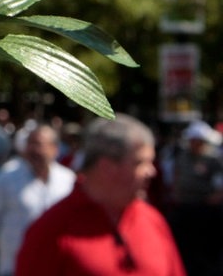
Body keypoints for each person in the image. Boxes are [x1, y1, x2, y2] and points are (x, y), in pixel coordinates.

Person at [15, 114, 185, 276]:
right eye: (140, 163)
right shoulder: (52, 230)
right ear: (107, 167)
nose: (152, 172)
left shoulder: (154, 222)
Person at [0, 124, 74, 276]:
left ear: (55, 149)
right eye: (30, 144)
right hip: (12, 265)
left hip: (53, 267)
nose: (33, 150)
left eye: (39, 144)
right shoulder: (8, 176)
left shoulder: (67, 181)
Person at [165, 120, 223, 276]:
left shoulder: (214, 159)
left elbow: (219, 186)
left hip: (205, 209)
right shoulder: (182, 157)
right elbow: (177, 176)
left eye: (198, 141)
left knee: (206, 248)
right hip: (184, 207)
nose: (194, 144)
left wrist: (212, 200)